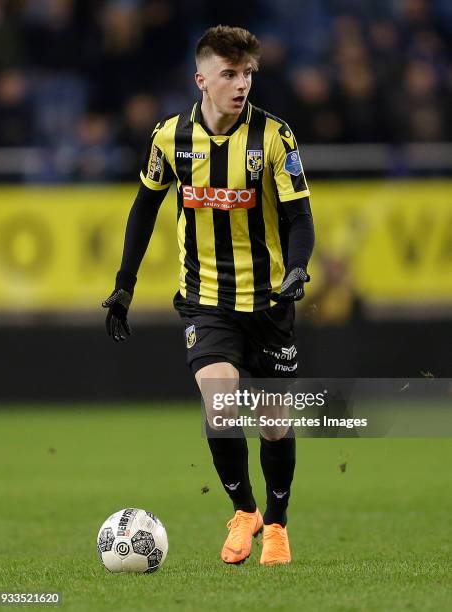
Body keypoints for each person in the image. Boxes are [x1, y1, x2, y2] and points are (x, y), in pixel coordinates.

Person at [102, 25, 315, 566]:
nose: (241, 84)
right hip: (206, 298)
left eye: (247, 74)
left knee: (273, 422)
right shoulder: (169, 136)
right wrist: (124, 285)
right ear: (202, 79)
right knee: (220, 401)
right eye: (229, 74)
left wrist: (296, 269)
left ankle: (278, 524)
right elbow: (144, 209)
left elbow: (300, 217)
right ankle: (245, 511)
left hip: (268, 301)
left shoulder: (274, 136)